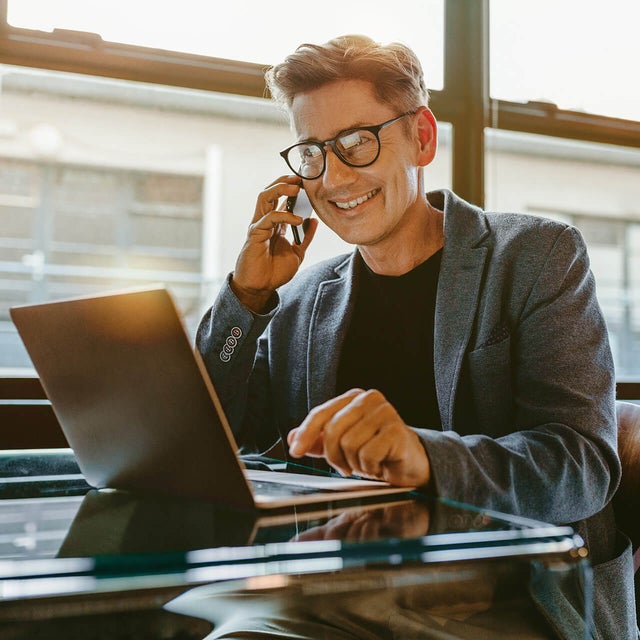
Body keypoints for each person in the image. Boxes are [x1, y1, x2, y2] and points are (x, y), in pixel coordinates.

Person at [196, 35, 636, 637]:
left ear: (422, 137)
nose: (334, 176)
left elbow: (581, 467)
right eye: (312, 153)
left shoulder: (536, 256)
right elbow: (223, 444)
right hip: (343, 589)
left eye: (357, 142)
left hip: (513, 593)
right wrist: (246, 299)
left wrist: (425, 457)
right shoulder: (301, 300)